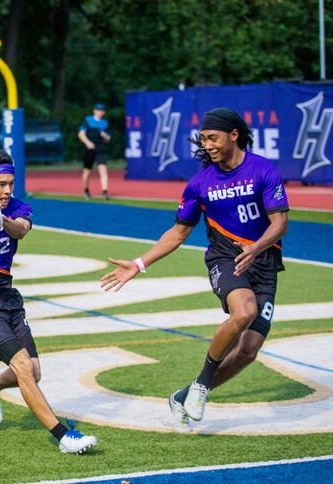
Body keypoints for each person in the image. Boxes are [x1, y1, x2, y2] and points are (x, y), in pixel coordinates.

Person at [100, 108, 289, 432]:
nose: (208, 144)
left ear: (233, 135)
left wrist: (257, 248)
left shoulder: (263, 170)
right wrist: (139, 264)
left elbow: (280, 222)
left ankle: (183, 397)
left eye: (213, 137)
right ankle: (202, 385)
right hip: (225, 258)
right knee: (243, 312)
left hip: (264, 262)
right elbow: (178, 232)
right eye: (203, 139)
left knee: (248, 351)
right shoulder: (200, 183)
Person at [0, 144, 97, 454]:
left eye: (11, 184)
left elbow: (21, 230)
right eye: (1, 184)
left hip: (9, 301)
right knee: (24, 367)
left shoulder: (16, 208)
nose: (7, 190)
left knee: (33, 371)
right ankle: (63, 436)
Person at [78, 103, 111, 200]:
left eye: (102, 110)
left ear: (104, 112)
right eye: (98, 110)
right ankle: (86, 190)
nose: (100, 112)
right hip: (89, 148)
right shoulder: (88, 120)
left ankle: (105, 192)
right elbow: (81, 134)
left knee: (103, 169)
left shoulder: (105, 123)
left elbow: (108, 139)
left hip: (100, 148)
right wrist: (87, 142)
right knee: (87, 171)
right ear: (94, 111)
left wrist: (104, 135)